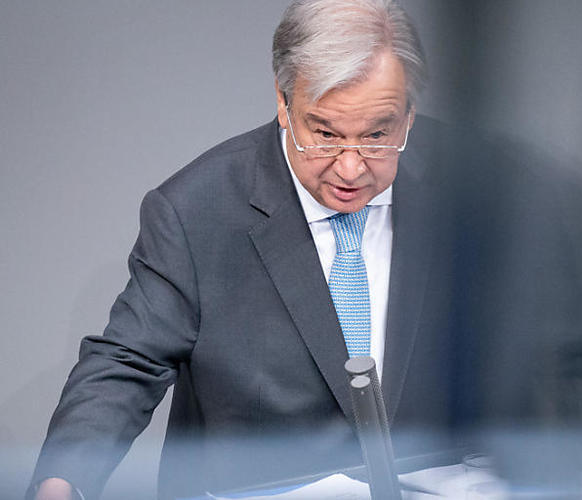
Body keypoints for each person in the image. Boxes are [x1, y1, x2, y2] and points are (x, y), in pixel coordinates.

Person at [30, 1, 477, 498]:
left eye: (377, 135)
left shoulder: (481, 188)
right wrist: (62, 480)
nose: (350, 168)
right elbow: (126, 363)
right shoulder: (197, 210)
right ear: (284, 103)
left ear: (409, 114)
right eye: (325, 135)